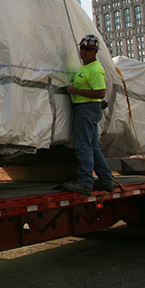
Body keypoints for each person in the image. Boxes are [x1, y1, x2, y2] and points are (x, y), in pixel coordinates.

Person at [61, 34, 117, 194]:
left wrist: (74, 90)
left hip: (86, 109)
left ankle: (85, 181)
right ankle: (105, 179)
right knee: (92, 146)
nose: (84, 51)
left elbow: (100, 93)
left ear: (95, 52)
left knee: (83, 146)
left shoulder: (94, 69)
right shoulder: (85, 68)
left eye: (89, 49)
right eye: (83, 48)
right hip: (87, 109)